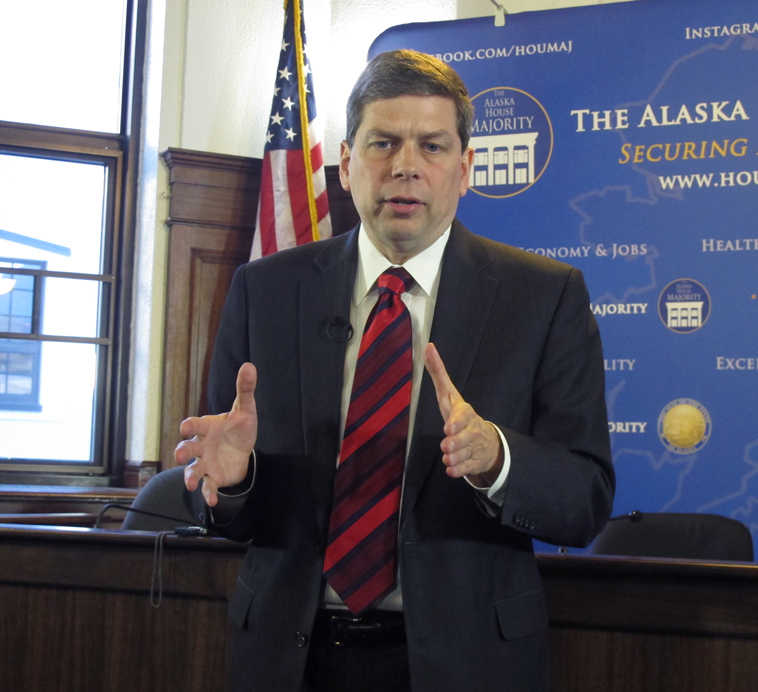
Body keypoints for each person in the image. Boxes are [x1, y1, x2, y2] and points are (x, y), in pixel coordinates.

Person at [175, 49, 614, 692]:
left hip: (465, 662)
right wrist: (234, 482)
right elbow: (215, 501)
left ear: (465, 169)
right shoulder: (264, 291)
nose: (405, 166)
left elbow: (585, 499)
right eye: (384, 143)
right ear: (347, 163)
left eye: (432, 147)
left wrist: (498, 461)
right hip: (287, 658)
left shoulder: (544, 297)